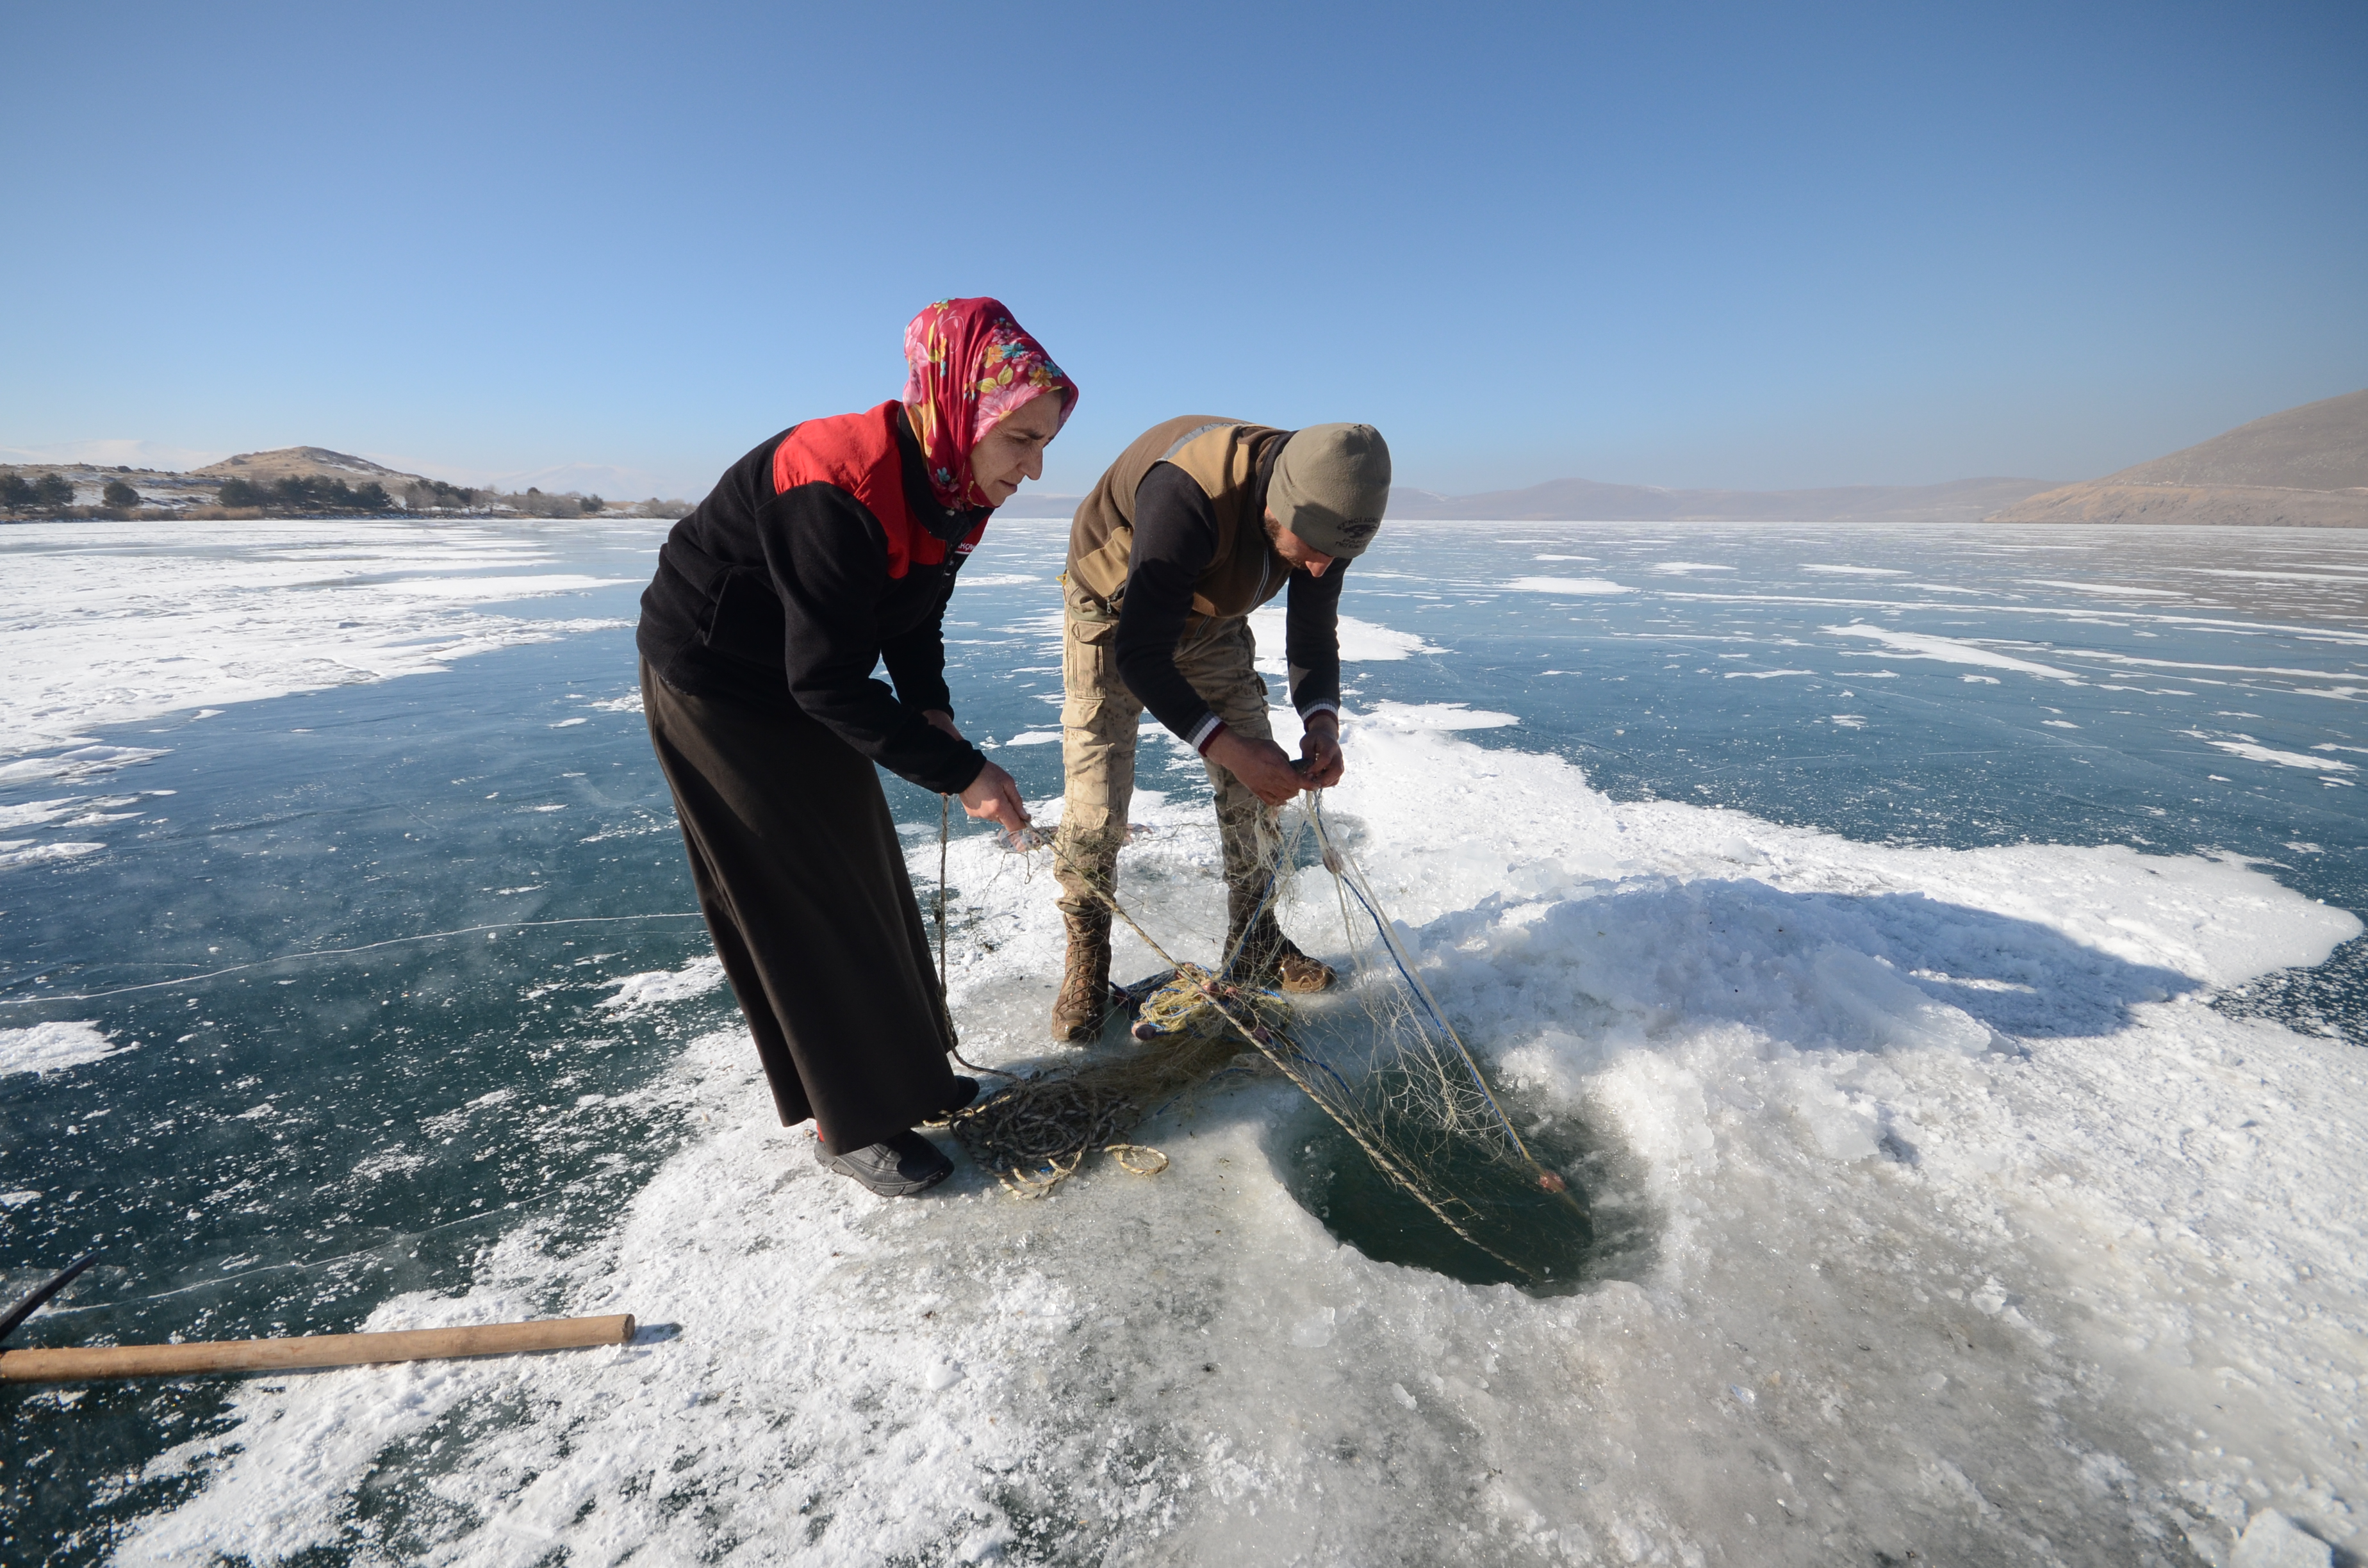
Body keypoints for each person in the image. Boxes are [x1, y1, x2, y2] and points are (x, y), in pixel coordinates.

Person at [637, 298, 1074, 1195]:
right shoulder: (836, 485)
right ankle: (851, 1123)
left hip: (804, 672)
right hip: (719, 682)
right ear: (962, 409)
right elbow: (826, 684)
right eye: (1021, 440)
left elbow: (913, 610)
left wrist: (931, 708)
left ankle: (908, 1077)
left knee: (863, 869)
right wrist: (962, 773)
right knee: (798, 894)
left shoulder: (955, 483)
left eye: (1043, 446)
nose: (1032, 470)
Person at [1051, 417, 1390, 1040]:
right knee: (1098, 809)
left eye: (1335, 558)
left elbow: (1313, 634)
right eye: (1311, 551)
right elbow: (1141, 654)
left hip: (1212, 621)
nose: (1319, 570)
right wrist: (1229, 748)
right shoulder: (1187, 495)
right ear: (1273, 505)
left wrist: (1322, 723)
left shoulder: (1329, 519)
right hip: (1113, 618)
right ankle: (1088, 960)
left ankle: (1255, 935)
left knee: (1261, 789)